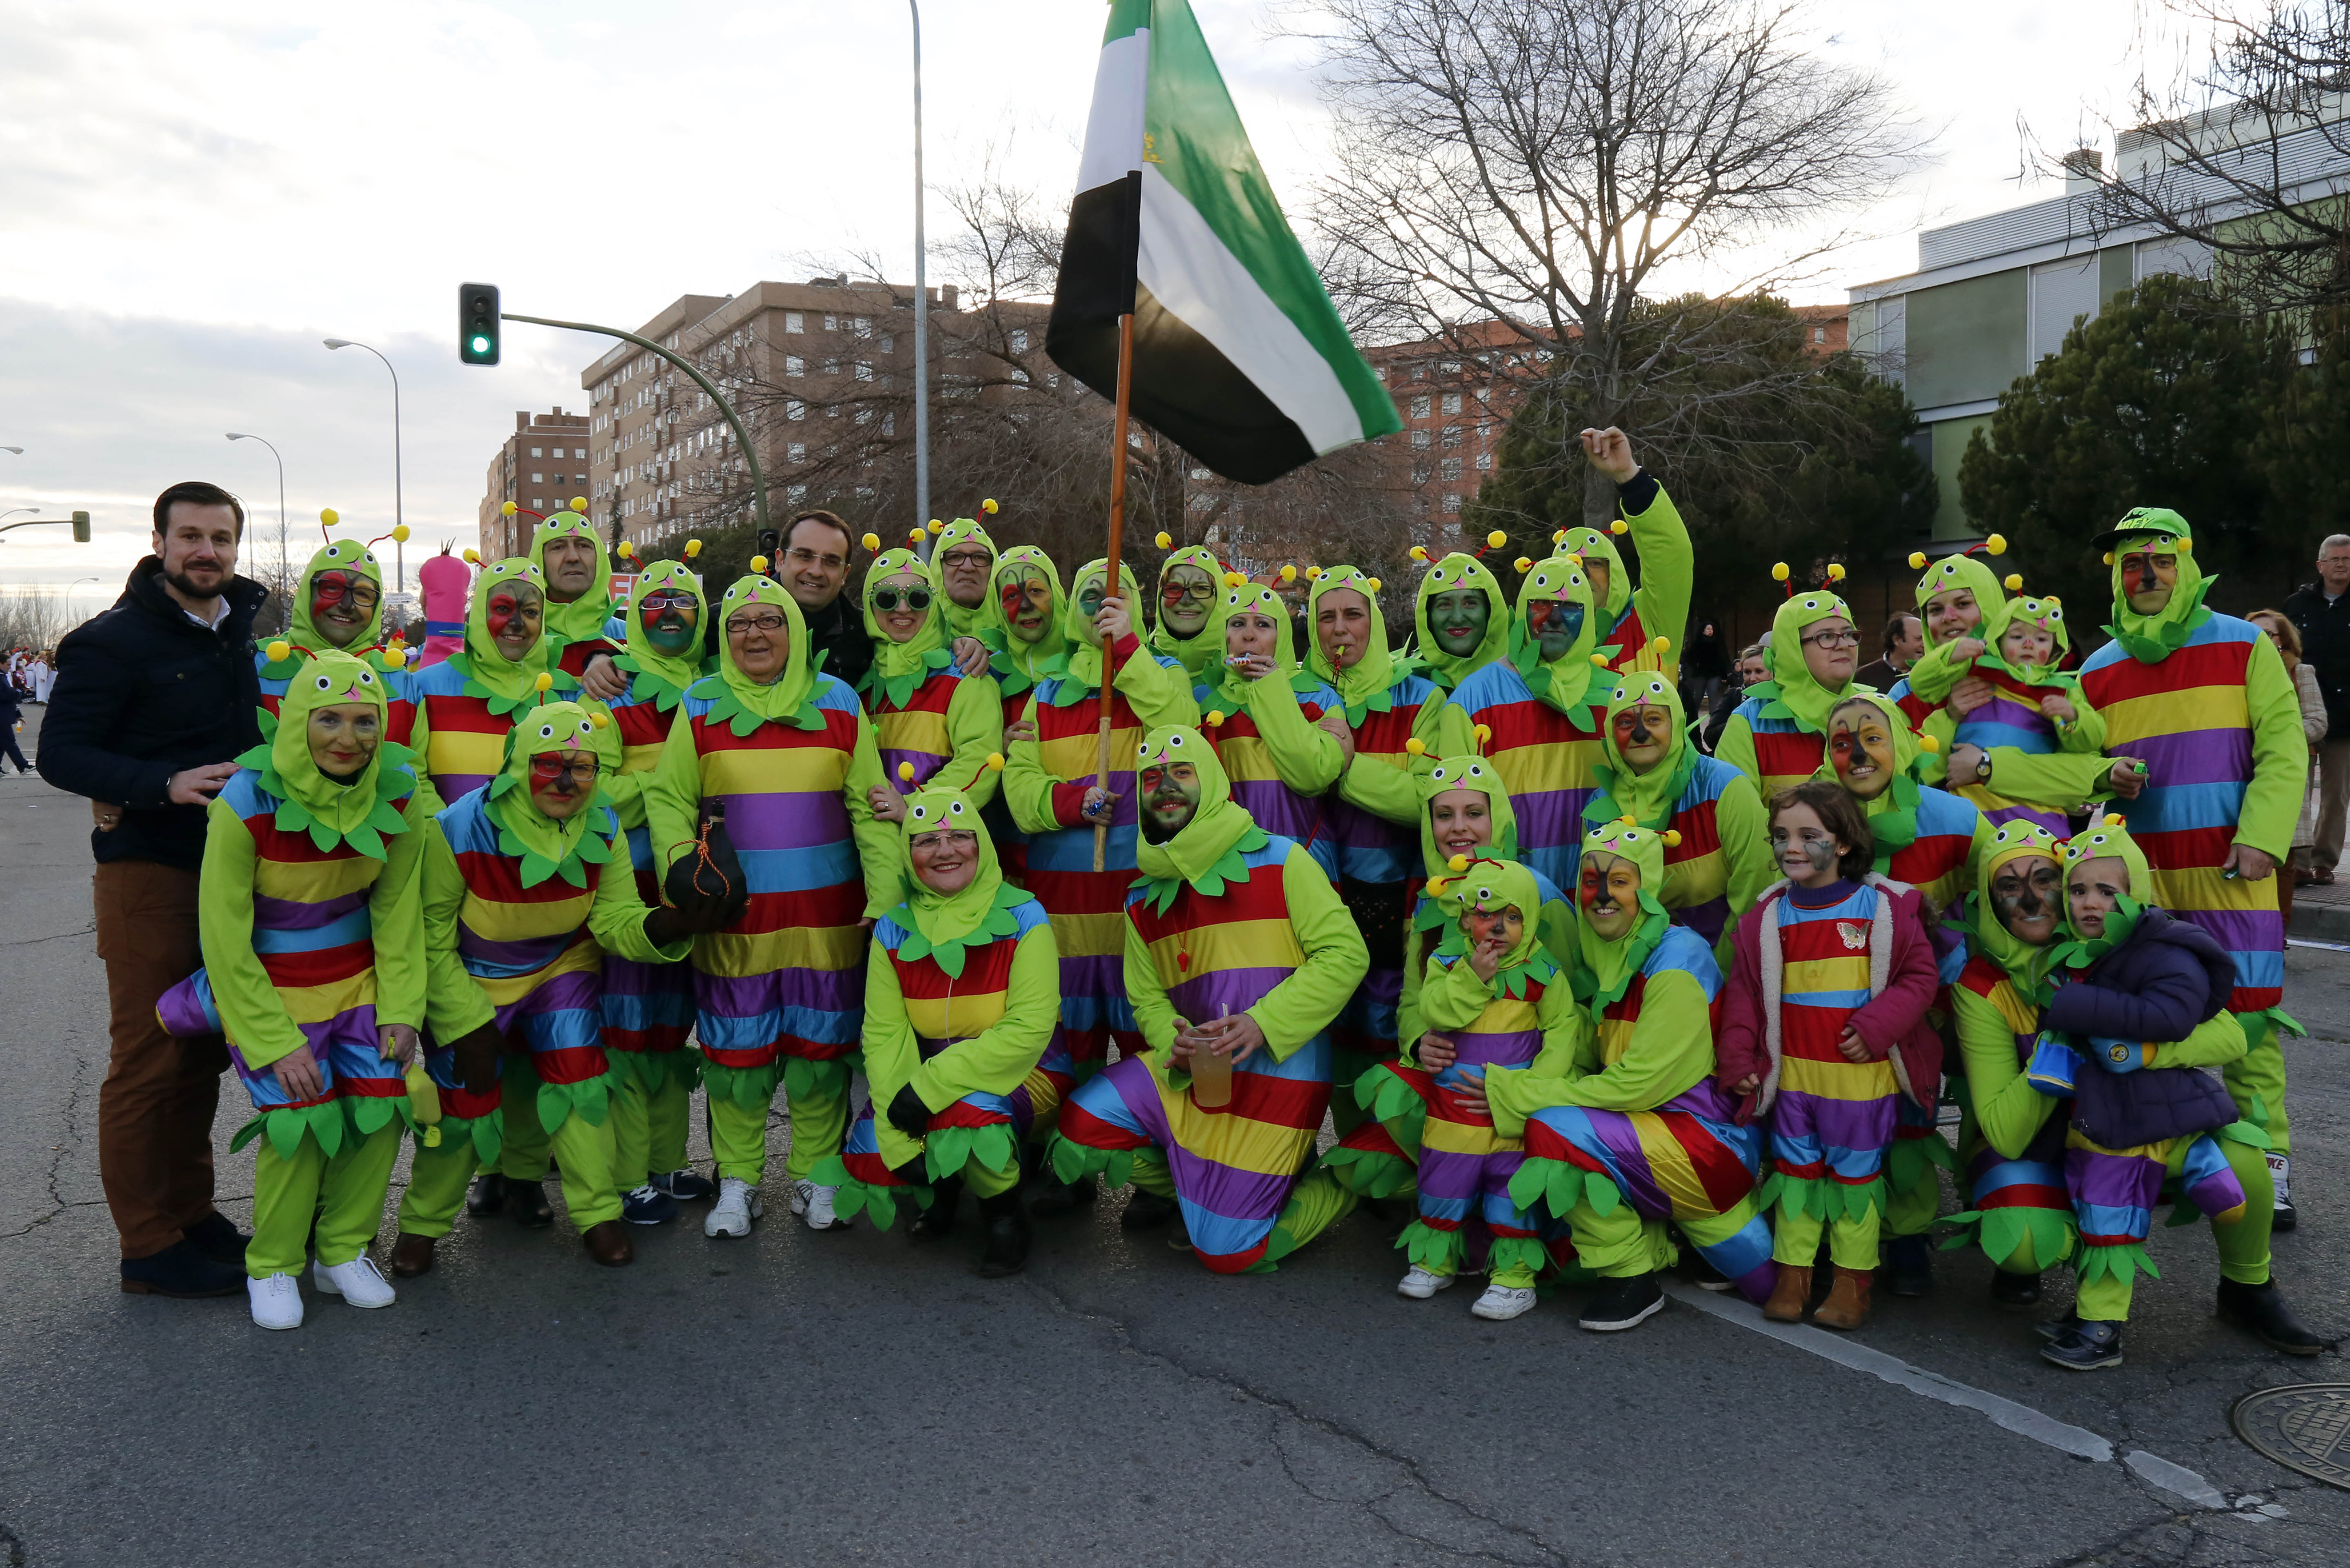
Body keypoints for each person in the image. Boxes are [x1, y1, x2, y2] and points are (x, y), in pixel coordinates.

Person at [390, 701, 733, 1276]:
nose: (567, 781)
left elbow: (614, 918)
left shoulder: (603, 825)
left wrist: (670, 923)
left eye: (583, 767)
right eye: (550, 764)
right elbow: (428, 936)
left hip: (560, 968)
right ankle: (422, 1223)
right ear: (519, 762)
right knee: (462, 1102)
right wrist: (462, 1020)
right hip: (474, 973)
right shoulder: (458, 826)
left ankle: (598, 1214)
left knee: (580, 1082)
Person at [38, 480, 269, 1298]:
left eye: (221, 538)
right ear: (161, 542)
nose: (207, 551)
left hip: (232, 877)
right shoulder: (113, 640)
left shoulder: (243, 632)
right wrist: (157, 781)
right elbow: (62, 753)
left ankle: (190, 1210)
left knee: (203, 1050)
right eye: (191, 536)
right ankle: (147, 1245)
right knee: (150, 1056)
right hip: (152, 871)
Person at [154, 651, 426, 1328]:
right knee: (299, 1122)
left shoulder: (398, 794)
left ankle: (342, 1248)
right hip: (273, 989)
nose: (347, 736)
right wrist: (274, 1040)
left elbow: (397, 910)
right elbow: (223, 934)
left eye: (366, 721)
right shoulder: (247, 798)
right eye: (328, 717)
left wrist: (401, 1009)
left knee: (383, 1105)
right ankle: (274, 1262)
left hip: (359, 982)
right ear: (296, 719)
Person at [1047, 725, 1369, 1271]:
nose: (1165, 787)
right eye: (1151, 777)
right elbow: (1145, 995)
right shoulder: (1143, 898)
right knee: (1078, 1133)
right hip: (1195, 1072)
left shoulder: (1283, 858)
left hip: (1281, 1073)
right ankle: (1201, 1191)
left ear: (1213, 778)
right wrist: (1168, 1033)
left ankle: (1347, 1175)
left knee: (1232, 1253)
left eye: (1181, 772)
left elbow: (1345, 954)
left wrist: (1263, 1023)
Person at [643, 572, 900, 1238]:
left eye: (768, 620)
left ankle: (816, 1176)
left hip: (827, 918)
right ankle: (739, 1181)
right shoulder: (700, 702)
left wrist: (886, 896)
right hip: (735, 920)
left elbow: (868, 805)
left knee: (819, 1057)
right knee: (736, 1057)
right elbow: (669, 797)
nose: (753, 633)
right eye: (738, 623)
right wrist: (681, 866)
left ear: (793, 626)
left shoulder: (839, 700)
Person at [2021, 815, 2322, 1368]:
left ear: (2137, 892)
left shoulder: (2163, 947)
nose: (2090, 902)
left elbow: (2222, 1029)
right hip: (2104, 1117)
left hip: (2155, 1113)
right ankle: (2096, 1310)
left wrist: (2141, 1048)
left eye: (2106, 891)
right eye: (2078, 890)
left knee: (2239, 1163)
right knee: (2103, 1202)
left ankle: (2244, 1287)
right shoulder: (2069, 952)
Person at [2075, 508, 2305, 1231]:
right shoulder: (2096, 668)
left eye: (2159, 559)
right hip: (2142, 882)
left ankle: (2267, 1166)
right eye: (2129, 562)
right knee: (2146, 1019)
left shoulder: (2241, 643)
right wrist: (2097, 776)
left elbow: (2282, 744)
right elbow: (2075, 770)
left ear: (2185, 562)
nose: (2144, 575)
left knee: (2250, 1022)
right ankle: (2165, 1154)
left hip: (2228, 869)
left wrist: (2262, 836)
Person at [1487, 817, 1782, 1328]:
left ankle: (1631, 1276)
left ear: (1646, 887)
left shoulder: (1677, 957)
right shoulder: (1609, 953)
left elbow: (1637, 1082)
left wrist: (1516, 1093)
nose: (1601, 895)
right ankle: (1664, 1246)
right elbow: (1592, 1050)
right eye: (1591, 881)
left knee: (1553, 1130)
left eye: (1619, 882)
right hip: (1656, 1140)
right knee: (1770, 1290)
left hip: (1709, 1151)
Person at [1716, 781, 1942, 1332]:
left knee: (1855, 1180)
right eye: (1781, 835)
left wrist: (1876, 1026)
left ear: (1843, 842)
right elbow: (1745, 991)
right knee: (1795, 1175)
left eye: (1807, 835)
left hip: (1860, 1084)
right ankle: (1793, 1274)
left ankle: (1851, 1280)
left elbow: (1919, 977)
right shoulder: (1768, 916)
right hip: (1794, 1079)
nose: (1791, 846)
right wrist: (1739, 1056)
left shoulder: (1882, 906)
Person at [815, 775, 1061, 1276]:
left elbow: (1030, 1027)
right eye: (926, 839)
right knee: (871, 1147)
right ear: (910, 852)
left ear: (980, 843)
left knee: (968, 1116)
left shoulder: (1025, 914)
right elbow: (884, 1032)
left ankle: (1003, 1214)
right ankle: (941, 1190)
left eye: (959, 836)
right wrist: (895, 1113)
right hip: (926, 1069)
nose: (945, 850)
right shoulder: (892, 925)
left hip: (1025, 1071)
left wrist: (928, 1087)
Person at [403, 556, 579, 1222]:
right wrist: (453, 841)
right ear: (478, 613)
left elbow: (583, 780)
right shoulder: (429, 686)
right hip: (453, 893)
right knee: (459, 1046)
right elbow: (412, 776)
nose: (514, 622)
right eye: (501, 608)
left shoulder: (561, 692)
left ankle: (523, 1171)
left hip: (537, 893)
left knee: (531, 1046)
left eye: (528, 611)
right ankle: (462, 1172)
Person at [1322, 752, 1574, 1207]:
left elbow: (1573, 1008)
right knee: (1365, 1164)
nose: (1458, 827)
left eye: (1473, 813)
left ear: (1496, 817)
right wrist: (1419, 1042)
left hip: (1528, 1085)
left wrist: (1530, 1089)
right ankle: (1460, 1195)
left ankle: (1499, 1202)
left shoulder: (1537, 892)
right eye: (1444, 815)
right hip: (1454, 1086)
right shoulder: (1429, 904)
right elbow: (1412, 999)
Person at [1003, 559, 1200, 1119]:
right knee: (1066, 1040)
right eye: (1090, 597)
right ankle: (1067, 1161)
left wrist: (1132, 655)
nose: (1102, 607)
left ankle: (1152, 1170)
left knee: (1149, 1039)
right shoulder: (1047, 692)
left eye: (1116, 597)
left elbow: (1179, 729)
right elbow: (1019, 792)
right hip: (1063, 910)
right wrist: (1073, 802)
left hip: (1143, 903)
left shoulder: (1162, 673)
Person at [1310, 566, 1470, 1129]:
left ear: (1374, 623)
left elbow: (1429, 800)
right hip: (1315, 896)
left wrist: (1343, 768)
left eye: (1353, 614)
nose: (1340, 629)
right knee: (1323, 1034)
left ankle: (1386, 1162)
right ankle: (1346, 1158)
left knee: (1387, 1028)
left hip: (1395, 892)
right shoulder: (1297, 694)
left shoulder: (1420, 697)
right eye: (1326, 616)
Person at [1381, 856, 1571, 1321]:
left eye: (1513, 916)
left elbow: (1563, 1032)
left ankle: (1514, 1279)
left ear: (1529, 917)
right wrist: (1474, 977)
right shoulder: (1447, 962)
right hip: (1452, 1112)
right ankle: (1434, 1259)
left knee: (1510, 1192)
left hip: (1510, 1111)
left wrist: (1530, 1088)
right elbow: (1435, 1011)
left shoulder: (1544, 972)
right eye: (1488, 915)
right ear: (1466, 916)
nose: (1499, 928)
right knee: (1442, 1184)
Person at [597, 552, 719, 1224]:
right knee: (626, 1034)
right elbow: (597, 790)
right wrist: (666, 789)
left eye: (683, 602)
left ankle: (669, 1162)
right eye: (655, 602)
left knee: (674, 1036)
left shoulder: (715, 682)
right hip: (636, 887)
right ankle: (625, 1173)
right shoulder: (612, 688)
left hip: (700, 884)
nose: (670, 614)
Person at [1583, 670, 1772, 964]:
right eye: (1625, 722)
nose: (1640, 733)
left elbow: (1755, 886)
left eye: (1654, 719)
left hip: (1725, 970)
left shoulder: (1723, 786)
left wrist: (1721, 973)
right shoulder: (1600, 806)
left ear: (1677, 723)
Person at [1196, 578, 1350, 874]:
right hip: (1228, 866)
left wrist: (1272, 690)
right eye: (1238, 623)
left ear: (1282, 635)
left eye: (1263, 625)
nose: (1249, 636)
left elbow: (1312, 775)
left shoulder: (1318, 697)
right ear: (1225, 636)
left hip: (1305, 861)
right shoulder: (1204, 703)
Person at [856, 546, 1003, 825]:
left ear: (932, 603)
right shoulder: (856, 680)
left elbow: (980, 762)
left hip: (943, 845)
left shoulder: (965, 671)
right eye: (887, 598)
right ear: (869, 603)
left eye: (918, 597)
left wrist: (915, 807)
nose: (903, 608)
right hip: (869, 848)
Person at [1550, 426, 1693, 686]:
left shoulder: (1649, 620)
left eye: (1595, 564)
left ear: (1614, 572)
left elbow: (1670, 552)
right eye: (1572, 565)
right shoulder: (1538, 635)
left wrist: (1629, 476)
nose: (1583, 574)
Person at [255, 521, 418, 747]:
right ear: (306, 593)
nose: (346, 605)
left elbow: (417, 773)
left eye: (362, 594)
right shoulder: (255, 665)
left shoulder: (400, 681)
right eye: (331, 588)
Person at [1714, 573, 1866, 799]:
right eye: (1826, 637)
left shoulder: (1879, 710)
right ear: (1791, 648)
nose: (1843, 645)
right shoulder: (1749, 722)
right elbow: (1739, 820)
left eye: (1848, 634)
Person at [974, 544, 1069, 889]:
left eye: (1036, 591)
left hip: (1070, 852)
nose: (1026, 606)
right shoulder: (983, 671)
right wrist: (994, 749)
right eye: (1012, 595)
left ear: (1057, 594)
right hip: (1000, 856)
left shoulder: (1085, 666)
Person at [2246, 610, 2326, 922]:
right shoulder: (2234, 673)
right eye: (2253, 634)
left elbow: (2317, 722)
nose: (2260, 640)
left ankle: (2276, 940)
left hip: (2284, 777)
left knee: (2281, 866)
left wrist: (2277, 738)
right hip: (2241, 778)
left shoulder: (2300, 673)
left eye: (2268, 634)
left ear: (2284, 640)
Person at [2284, 532, 2350, 883]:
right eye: (2335, 559)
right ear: (2320, 565)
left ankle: (2325, 862)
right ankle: (2298, 864)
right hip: (2301, 713)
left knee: (2336, 796)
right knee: (2297, 789)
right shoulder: (2297, 605)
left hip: (2345, 716)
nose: (2341, 564)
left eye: (2347, 559)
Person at [1409, 549, 1511, 694]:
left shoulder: (1525, 680)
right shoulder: (1404, 688)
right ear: (1427, 616)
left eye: (1470, 603)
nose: (1457, 618)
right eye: (1444, 605)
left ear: (1490, 611)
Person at [1148, 541, 1229, 685]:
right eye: (1174, 588)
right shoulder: (1134, 664)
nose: (1186, 600)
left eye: (1201, 589)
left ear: (1220, 598)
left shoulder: (1241, 670)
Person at [931, 504, 1002, 640]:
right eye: (955, 557)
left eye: (980, 558)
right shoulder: (917, 641)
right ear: (938, 568)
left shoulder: (1019, 639)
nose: (968, 567)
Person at [1702, 643, 1768, 755]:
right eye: (1747, 672)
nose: (1752, 678)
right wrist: (1739, 724)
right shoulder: (1733, 696)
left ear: (1772, 673)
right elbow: (1710, 737)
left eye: (1759, 672)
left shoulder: (1783, 700)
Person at [1854, 613, 1923, 695]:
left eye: (1926, 639)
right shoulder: (1863, 676)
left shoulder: (1930, 673)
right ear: (1897, 640)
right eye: (1918, 639)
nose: (1924, 644)